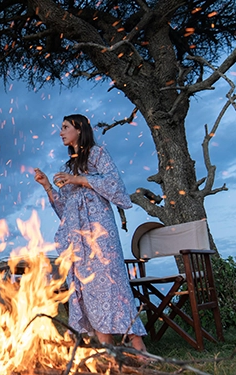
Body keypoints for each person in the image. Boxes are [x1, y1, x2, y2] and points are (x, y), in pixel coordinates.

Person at [33, 114, 148, 352]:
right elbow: (64, 208)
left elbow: (114, 183)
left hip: (99, 231)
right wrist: (47, 186)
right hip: (77, 236)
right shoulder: (67, 167)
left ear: (79, 129)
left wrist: (77, 179)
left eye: (65, 127)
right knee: (88, 288)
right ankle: (107, 348)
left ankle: (138, 346)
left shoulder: (97, 154)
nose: (61, 132)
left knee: (113, 283)